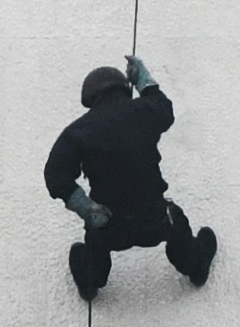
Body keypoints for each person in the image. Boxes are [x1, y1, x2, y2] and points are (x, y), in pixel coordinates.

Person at [42, 54, 217, 299]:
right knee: (176, 222)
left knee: (95, 238)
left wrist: (87, 208)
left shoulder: (78, 131)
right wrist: (144, 81)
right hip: (153, 218)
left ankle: (91, 281)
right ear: (122, 88)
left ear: (91, 97)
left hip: (110, 225)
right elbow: (165, 111)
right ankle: (196, 265)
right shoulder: (143, 111)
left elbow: (55, 175)